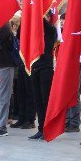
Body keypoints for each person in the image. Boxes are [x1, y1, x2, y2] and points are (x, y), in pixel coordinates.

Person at [28, 12, 57, 141]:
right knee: (37, 100)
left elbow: (43, 23)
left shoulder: (51, 30)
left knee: (45, 100)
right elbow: (19, 35)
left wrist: (38, 10)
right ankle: (40, 129)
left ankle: (47, 128)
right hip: (34, 67)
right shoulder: (35, 32)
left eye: (45, 15)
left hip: (46, 68)